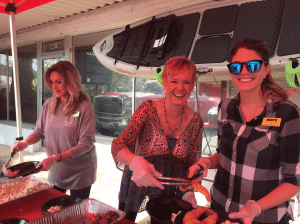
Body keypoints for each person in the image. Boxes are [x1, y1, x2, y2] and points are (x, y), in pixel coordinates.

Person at [189, 39, 300, 224]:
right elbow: (223, 154)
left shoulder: (288, 114)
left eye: (253, 65)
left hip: (264, 218)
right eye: (236, 67)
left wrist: (255, 207)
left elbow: (294, 180)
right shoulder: (225, 107)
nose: (244, 72)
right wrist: (206, 162)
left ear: (266, 69)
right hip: (220, 211)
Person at [111, 56, 204, 222]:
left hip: (171, 192)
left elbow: (192, 164)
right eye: (174, 81)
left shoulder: (196, 121)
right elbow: (118, 145)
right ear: (164, 81)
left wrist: (190, 191)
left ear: (193, 84)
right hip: (138, 184)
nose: (180, 88)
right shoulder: (147, 110)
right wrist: (135, 161)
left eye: (187, 82)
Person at [10, 61, 97, 200]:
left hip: (80, 172)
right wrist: (26, 143)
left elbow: (86, 143)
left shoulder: (84, 107)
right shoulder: (48, 104)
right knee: (53, 209)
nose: (53, 86)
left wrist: (56, 158)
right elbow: (39, 131)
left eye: (58, 82)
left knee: (75, 213)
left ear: (70, 81)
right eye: (51, 82)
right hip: (56, 170)